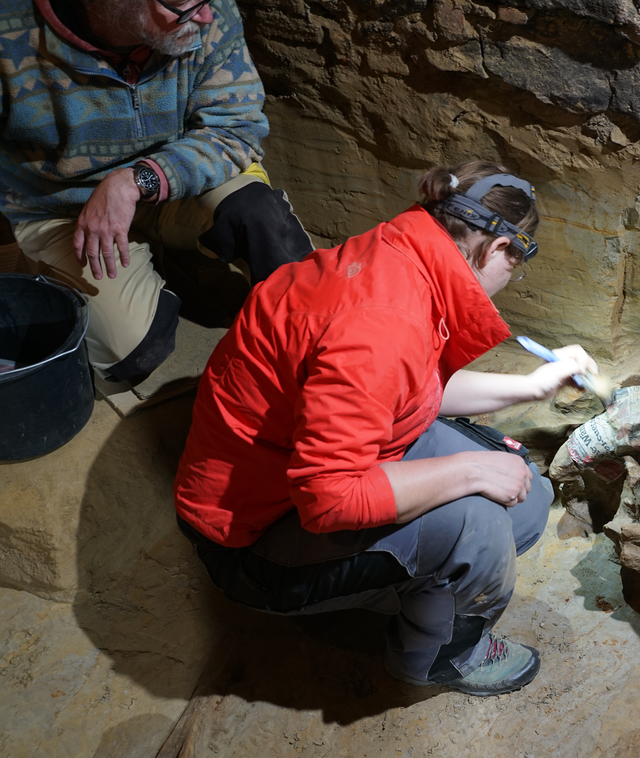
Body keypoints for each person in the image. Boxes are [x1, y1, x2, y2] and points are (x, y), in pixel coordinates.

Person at [173, 161, 599, 696]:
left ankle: (419, 583)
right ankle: (440, 656)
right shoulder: (383, 320)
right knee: (480, 523)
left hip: (292, 471)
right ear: (497, 250)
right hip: (253, 538)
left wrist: (533, 386)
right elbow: (327, 497)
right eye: (518, 262)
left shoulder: (400, 254)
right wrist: (469, 470)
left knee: (525, 497)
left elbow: (406, 389)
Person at [0, 0, 313, 384]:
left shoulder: (205, 8)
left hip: (176, 177)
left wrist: (137, 180)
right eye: (182, 8)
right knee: (127, 352)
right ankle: (133, 277)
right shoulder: (9, 33)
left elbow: (236, 129)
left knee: (262, 219)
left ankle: (313, 341)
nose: (206, 16)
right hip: (63, 207)